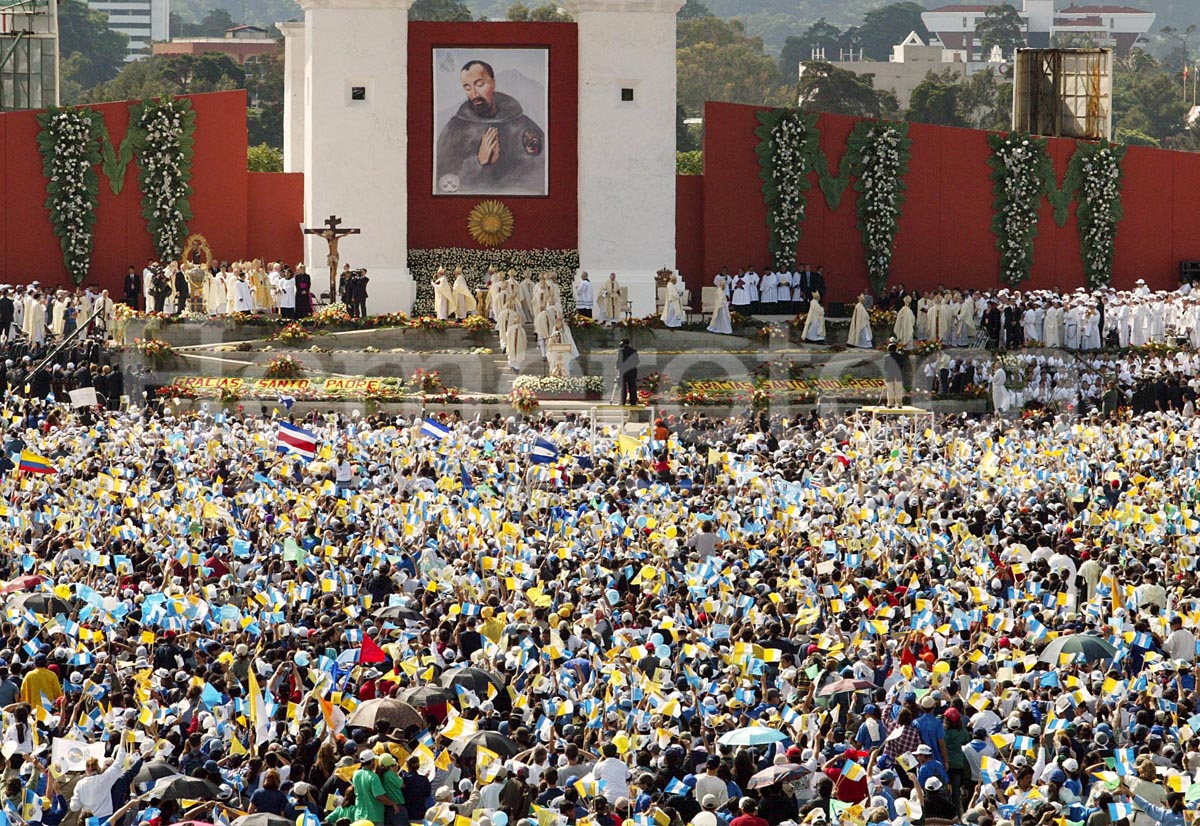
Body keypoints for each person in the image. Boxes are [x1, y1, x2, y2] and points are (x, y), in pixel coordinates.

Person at [435, 59, 546, 196]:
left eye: (480, 84)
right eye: (467, 87)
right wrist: (478, 162)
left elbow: (539, 180)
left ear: (493, 83)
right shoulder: (453, 129)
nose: (474, 94)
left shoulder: (524, 127)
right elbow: (441, 183)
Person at [617, 339, 638, 407]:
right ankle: (633, 402)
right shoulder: (634, 351)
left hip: (623, 371)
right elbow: (637, 361)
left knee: (623, 387)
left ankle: (622, 401)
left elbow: (619, 361)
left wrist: (618, 368)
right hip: (632, 371)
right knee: (632, 387)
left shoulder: (621, 351)